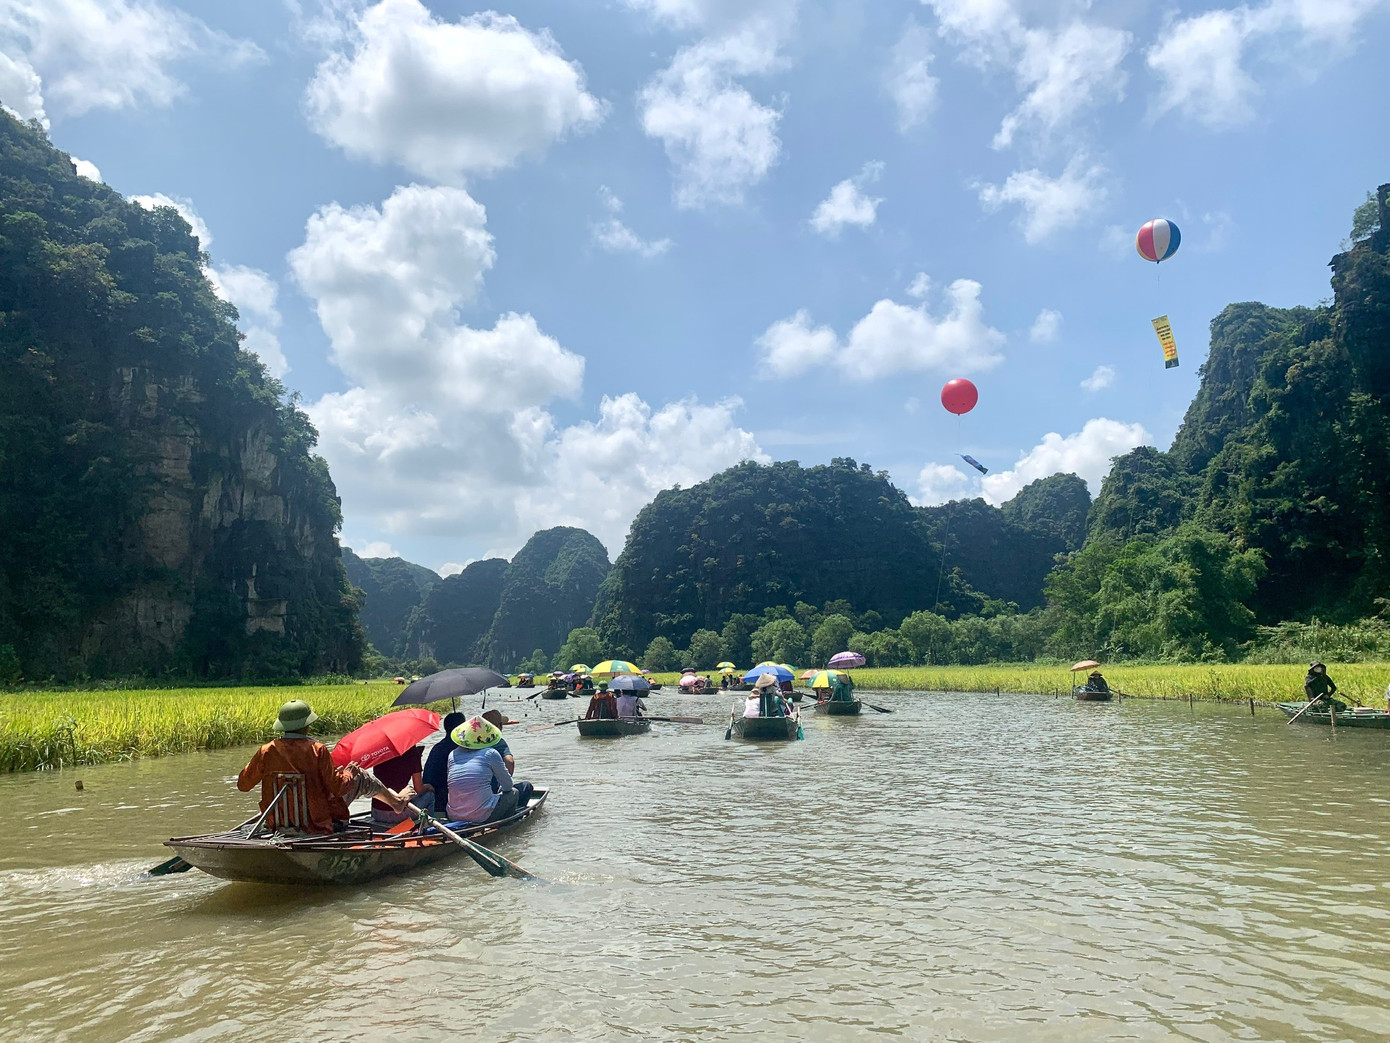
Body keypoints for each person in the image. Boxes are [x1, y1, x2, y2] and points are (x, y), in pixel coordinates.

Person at [237, 700, 361, 835]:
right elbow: (337, 788)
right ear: (306, 726)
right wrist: (349, 774)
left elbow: (243, 785)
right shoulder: (317, 750)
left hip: (276, 826)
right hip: (317, 826)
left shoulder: (266, 751)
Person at [446, 717, 534, 824]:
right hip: (481, 816)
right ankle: (507, 824)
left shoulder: (452, 754)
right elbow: (508, 786)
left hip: (453, 815)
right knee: (513, 793)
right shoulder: (490, 753)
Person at [371, 741, 434, 825]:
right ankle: (427, 828)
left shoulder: (381, 751)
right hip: (397, 813)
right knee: (430, 796)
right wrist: (428, 787)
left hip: (376, 811)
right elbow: (419, 789)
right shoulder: (412, 753)